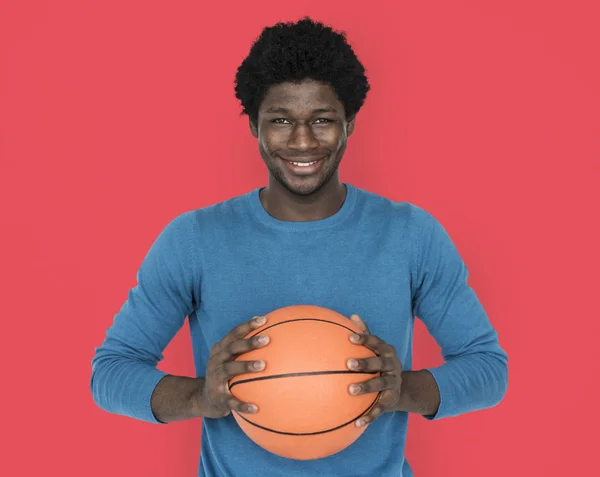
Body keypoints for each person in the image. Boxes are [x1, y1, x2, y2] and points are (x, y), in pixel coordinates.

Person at [91, 16, 508, 477]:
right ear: (253, 125)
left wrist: (399, 389)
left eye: (323, 120)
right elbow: (110, 373)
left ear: (349, 123)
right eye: (281, 120)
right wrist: (200, 398)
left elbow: (488, 369)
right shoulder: (194, 240)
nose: (303, 141)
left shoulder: (411, 234)